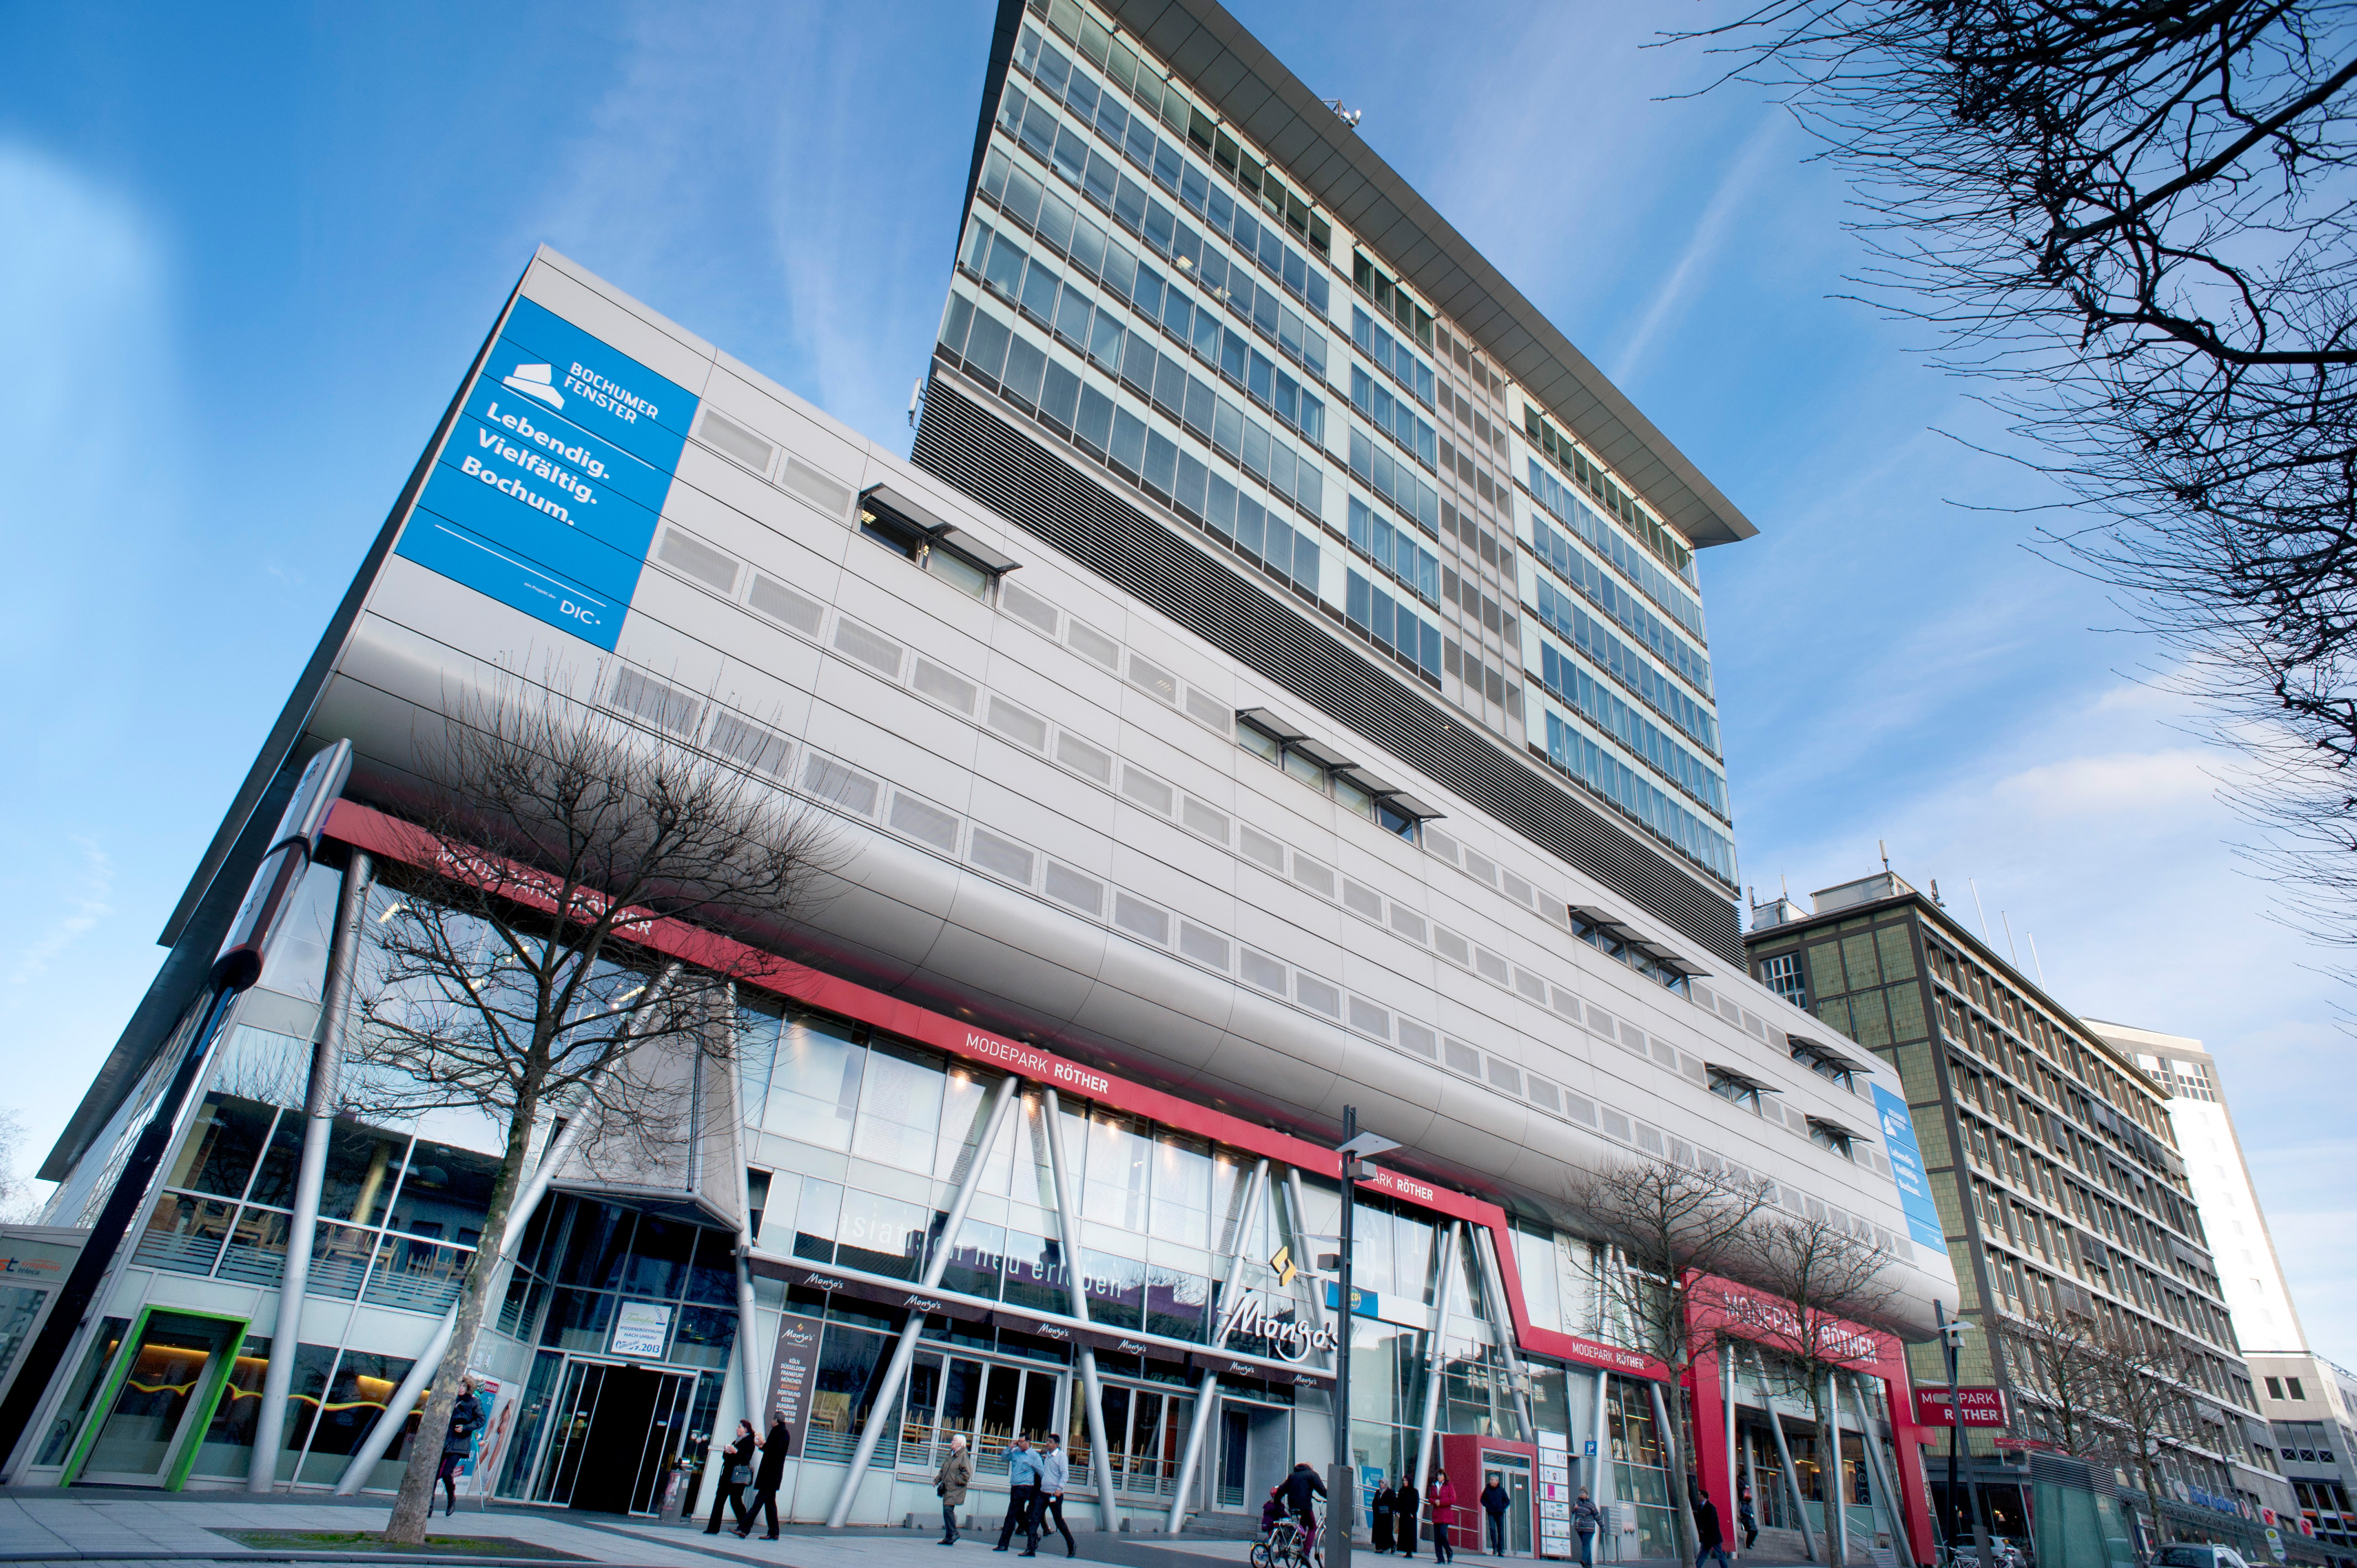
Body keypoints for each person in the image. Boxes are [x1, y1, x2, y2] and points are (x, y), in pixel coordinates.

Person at [436, 1379, 485, 1518]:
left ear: (468, 1388)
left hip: (459, 1443)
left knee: (446, 1473)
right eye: (459, 1385)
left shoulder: (474, 1402)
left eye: (464, 1386)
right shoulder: (451, 1400)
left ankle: (451, 1499)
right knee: (434, 1474)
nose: (461, 1388)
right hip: (446, 1440)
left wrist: (465, 1428)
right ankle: (430, 1506)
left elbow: (480, 1420)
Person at [737, 1416, 790, 1539]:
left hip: (771, 1475)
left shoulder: (781, 1433)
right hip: (772, 1475)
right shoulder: (781, 1432)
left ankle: (744, 1529)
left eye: (772, 1419)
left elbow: (776, 1452)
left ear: (776, 1420)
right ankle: (774, 1532)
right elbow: (773, 1450)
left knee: (758, 1502)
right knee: (770, 1505)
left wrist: (764, 1444)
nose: (771, 1422)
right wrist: (763, 1446)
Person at [705, 1420, 756, 1535]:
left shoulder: (749, 1442)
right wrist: (727, 1452)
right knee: (720, 1500)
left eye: (739, 1427)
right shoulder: (736, 1441)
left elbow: (745, 1459)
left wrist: (735, 1452)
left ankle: (745, 1525)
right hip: (728, 1475)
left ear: (745, 1429)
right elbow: (728, 1458)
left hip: (737, 1477)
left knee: (736, 1501)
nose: (737, 1429)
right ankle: (713, 1528)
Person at [996, 1435, 1043, 1554]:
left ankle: (1003, 1544)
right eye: (1018, 1442)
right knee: (1019, 1515)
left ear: (1028, 1442)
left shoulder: (1034, 1456)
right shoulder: (1016, 1452)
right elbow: (1004, 1458)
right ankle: (1034, 1535)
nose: (1019, 1444)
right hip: (1015, 1486)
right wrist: (1010, 1447)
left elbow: (1042, 1473)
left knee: (1011, 1513)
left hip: (1025, 1487)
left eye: (1021, 1442)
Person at [1036, 1433, 1075, 1557]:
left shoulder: (1061, 1456)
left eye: (1051, 1442)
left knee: (1058, 1521)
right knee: (1035, 1517)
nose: (1048, 1443)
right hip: (1043, 1493)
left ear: (1057, 1444)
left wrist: (1059, 1488)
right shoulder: (1048, 1456)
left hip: (1055, 1494)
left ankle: (1071, 1544)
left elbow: (1065, 1475)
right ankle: (1031, 1547)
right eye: (1047, 1441)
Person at [935, 1434, 972, 1545]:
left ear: (961, 1444)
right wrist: (938, 1480)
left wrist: (956, 1480)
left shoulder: (963, 1456)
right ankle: (949, 1536)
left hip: (956, 1488)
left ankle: (953, 1533)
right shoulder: (952, 1454)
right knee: (947, 1510)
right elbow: (944, 1468)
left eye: (954, 1441)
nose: (951, 1442)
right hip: (949, 1487)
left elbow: (967, 1474)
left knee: (948, 1509)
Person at [1283, 1459, 1328, 1549]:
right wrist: (1331, 1498)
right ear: (1311, 1468)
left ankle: (1300, 1544)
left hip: (1292, 1505)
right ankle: (1306, 1552)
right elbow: (1321, 1490)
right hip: (1305, 1506)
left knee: (1303, 1521)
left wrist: (1276, 1501)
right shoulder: (1312, 1475)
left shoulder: (1293, 1475)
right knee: (1312, 1527)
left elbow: (1282, 1489)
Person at [1690, 1484, 1730, 1568]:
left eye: (1699, 1494)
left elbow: (1712, 1520)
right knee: (1703, 1553)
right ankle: (1697, 1567)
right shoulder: (1700, 1506)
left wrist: (1703, 1529)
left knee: (1719, 1554)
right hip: (1706, 1536)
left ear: (1703, 1496)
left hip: (1712, 1536)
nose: (1698, 1496)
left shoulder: (1711, 1507)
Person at [1427, 1469, 1458, 1565]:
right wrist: (1434, 1501)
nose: (1439, 1477)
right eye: (1438, 1475)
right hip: (1437, 1514)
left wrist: (1441, 1502)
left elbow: (1453, 1499)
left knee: (1442, 1534)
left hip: (1445, 1515)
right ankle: (1440, 1558)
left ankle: (1449, 1552)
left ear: (1444, 1476)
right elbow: (1430, 1498)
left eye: (1441, 1475)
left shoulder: (1449, 1485)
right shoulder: (1434, 1486)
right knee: (1437, 1538)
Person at [1480, 1473, 1510, 1556]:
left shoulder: (1501, 1490)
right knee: (1492, 1530)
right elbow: (1482, 1499)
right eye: (1490, 1480)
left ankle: (1501, 1550)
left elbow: (1507, 1501)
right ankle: (1495, 1548)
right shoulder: (1487, 1489)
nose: (1490, 1481)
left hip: (1500, 1514)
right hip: (1491, 1513)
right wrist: (1487, 1505)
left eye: (1492, 1480)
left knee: (1501, 1532)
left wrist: (1502, 1507)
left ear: (1497, 1481)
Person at [1569, 1489, 1600, 1568]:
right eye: (1581, 1492)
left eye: (1583, 1493)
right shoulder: (1577, 1502)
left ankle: (1584, 1560)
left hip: (1589, 1528)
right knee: (1586, 1545)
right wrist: (1575, 1508)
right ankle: (1589, 1564)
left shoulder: (1591, 1504)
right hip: (1580, 1528)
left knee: (1585, 1544)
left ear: (1587, 1494)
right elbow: (1572, 1511)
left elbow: (1597, 1516)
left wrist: (1602, 1526)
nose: (1581, 1494)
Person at [1393, 1476, 1421, 1559]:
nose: (1405, 1482)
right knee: (1404, 1533)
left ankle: (1410, 1551)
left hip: (1411, 1516)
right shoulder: (1402, 1491)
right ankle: (1406, 1551)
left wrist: (1413, 1512)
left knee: (1410, 1533)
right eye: (1403, 1481)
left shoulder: (1414, 1491)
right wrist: (1397, 1511)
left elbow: (1416, 1503)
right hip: (1404, 1515)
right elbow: (1398, 1502)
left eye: (1406, 1481)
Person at [1372, 1475, 1396, 1554]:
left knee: (1387, 1532)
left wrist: (1393, 1511)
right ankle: (1379, 1548)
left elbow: (1393, 1503)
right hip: (1379, 1516)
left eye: (1382, 1483)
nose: (1381, 1484)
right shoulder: (1378, 1492)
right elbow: (1374, 1503)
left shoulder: (1391, 1492)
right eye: (1380, 1483)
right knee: (1378, 1531)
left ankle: (1393, 1544)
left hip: (1387, 1516)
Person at [1736, 1478, 1757, 1551]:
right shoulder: (1745, 1505)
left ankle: (1751, 1542)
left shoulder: (1749, 1506)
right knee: (1751, 1531)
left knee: (1755, 1531)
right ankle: (1748, 1544)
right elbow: (1743, 1511)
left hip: (1750, 1521)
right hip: (1746, 1521)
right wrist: (1749, 1515)